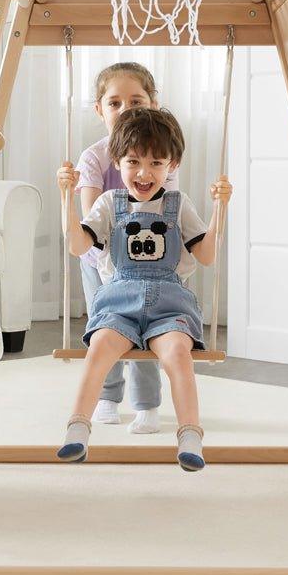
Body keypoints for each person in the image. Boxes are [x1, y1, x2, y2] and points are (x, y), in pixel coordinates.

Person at [56, 107, 232, 471]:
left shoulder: (178, 205)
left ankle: (190, 436)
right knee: (100, 347)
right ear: (117, 161)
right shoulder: (109, 204)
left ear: (172, 164)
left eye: (155, 163)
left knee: (178, 354)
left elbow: (207, 255)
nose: (143, 173)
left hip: (169, 307)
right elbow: (77, 245)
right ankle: (78, 428)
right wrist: (66, 198)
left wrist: (220, 209)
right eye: (133, 161)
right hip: (118, 305)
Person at [75, 63, 177, 434]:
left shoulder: (161, 155)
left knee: (145, 326)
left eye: (136, 101)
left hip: (148, 261)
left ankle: (146, 403)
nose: (125, 110)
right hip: (99, 259)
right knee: (107, 327)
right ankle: (107, 396)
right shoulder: (94, 157)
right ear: (99, 109)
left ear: (153, 104)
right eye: (114, 103)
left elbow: (166, 209)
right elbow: (91, 219)